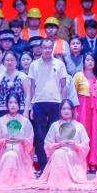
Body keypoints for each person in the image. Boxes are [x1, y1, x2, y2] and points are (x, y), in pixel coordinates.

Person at [29, 38, 68, 172]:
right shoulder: (34, 65)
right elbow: (32, 87)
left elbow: (64, 86)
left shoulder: (59, 64)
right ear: (40, 49)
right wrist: (31, 106)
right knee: (40, 137)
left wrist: (64, 105)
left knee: (56, 136)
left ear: (52, 49)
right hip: (39, 103)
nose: (47, 50)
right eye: (44, 47)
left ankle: (55, 166)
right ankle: (43, 167)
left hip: (56, 103)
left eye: (49, 48)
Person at [34, 99, 90, 189]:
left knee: (64, 153)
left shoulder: (79, 126)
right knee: (59, 153)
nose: (66, 111)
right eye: (64, 109)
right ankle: (58, 181)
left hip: (74, 156)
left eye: (68, 109)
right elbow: (47, 144)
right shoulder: (54, 125)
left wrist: (75, 145)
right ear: (60, 111)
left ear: (72, 110)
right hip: (58, 155)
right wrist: (59, 144)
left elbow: (85, 145)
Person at [72, 53, 97, 171]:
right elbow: (72, 94)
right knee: (84, 132)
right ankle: (82, 161)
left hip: (96, 108)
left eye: (92, 60)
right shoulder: (78, 76)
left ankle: (94, 161)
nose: (90, 62)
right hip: (83, 106)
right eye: (88, 60)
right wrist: (74, 110)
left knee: (95, 132)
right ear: (83, 62)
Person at [0, 50, 31, 118]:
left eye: (12, 60)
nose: (9, 62)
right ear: (3, 62)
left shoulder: (23, 76)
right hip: (2, 109)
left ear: (16, 62)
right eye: (7, 60)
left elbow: (28, 95)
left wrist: (26, 111)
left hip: (20, 108)